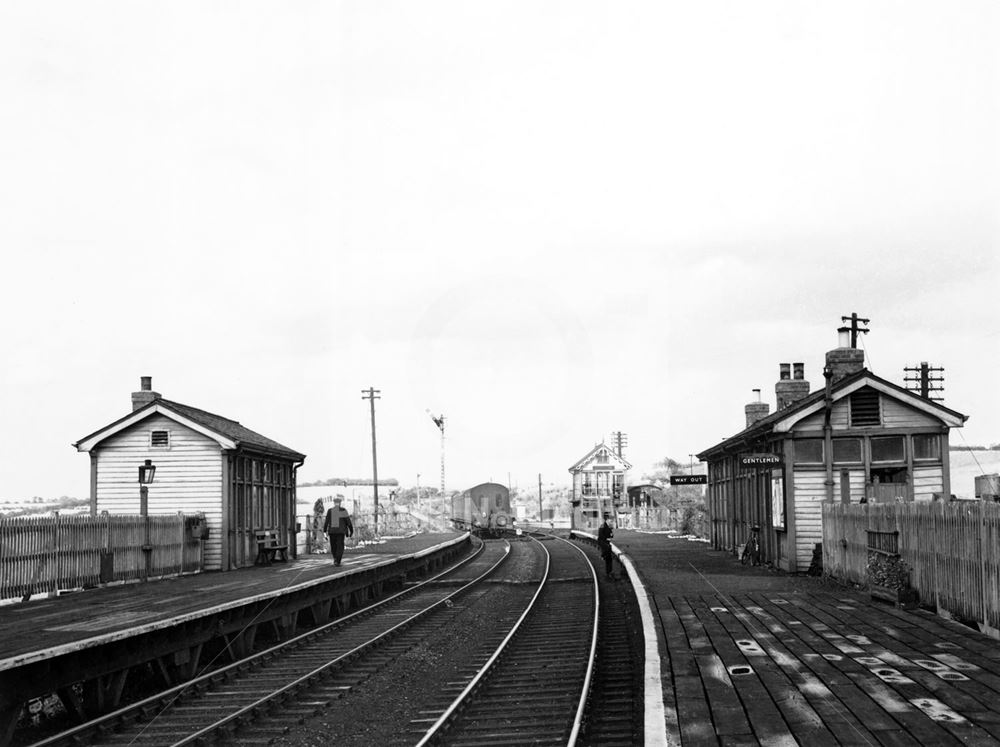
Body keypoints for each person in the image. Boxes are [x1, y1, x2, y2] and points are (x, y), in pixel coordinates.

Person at [323, 497, 354, 566]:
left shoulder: (330, 511)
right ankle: (337, 560)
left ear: (334, 503)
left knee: (333, 546)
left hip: (332, 532)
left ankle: (335, 559)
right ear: (340, 503)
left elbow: (326, 522)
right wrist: (351, 531)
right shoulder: (343, 510)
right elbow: (348, 522)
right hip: (340, 532)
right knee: (340, 546)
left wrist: (324, 532)